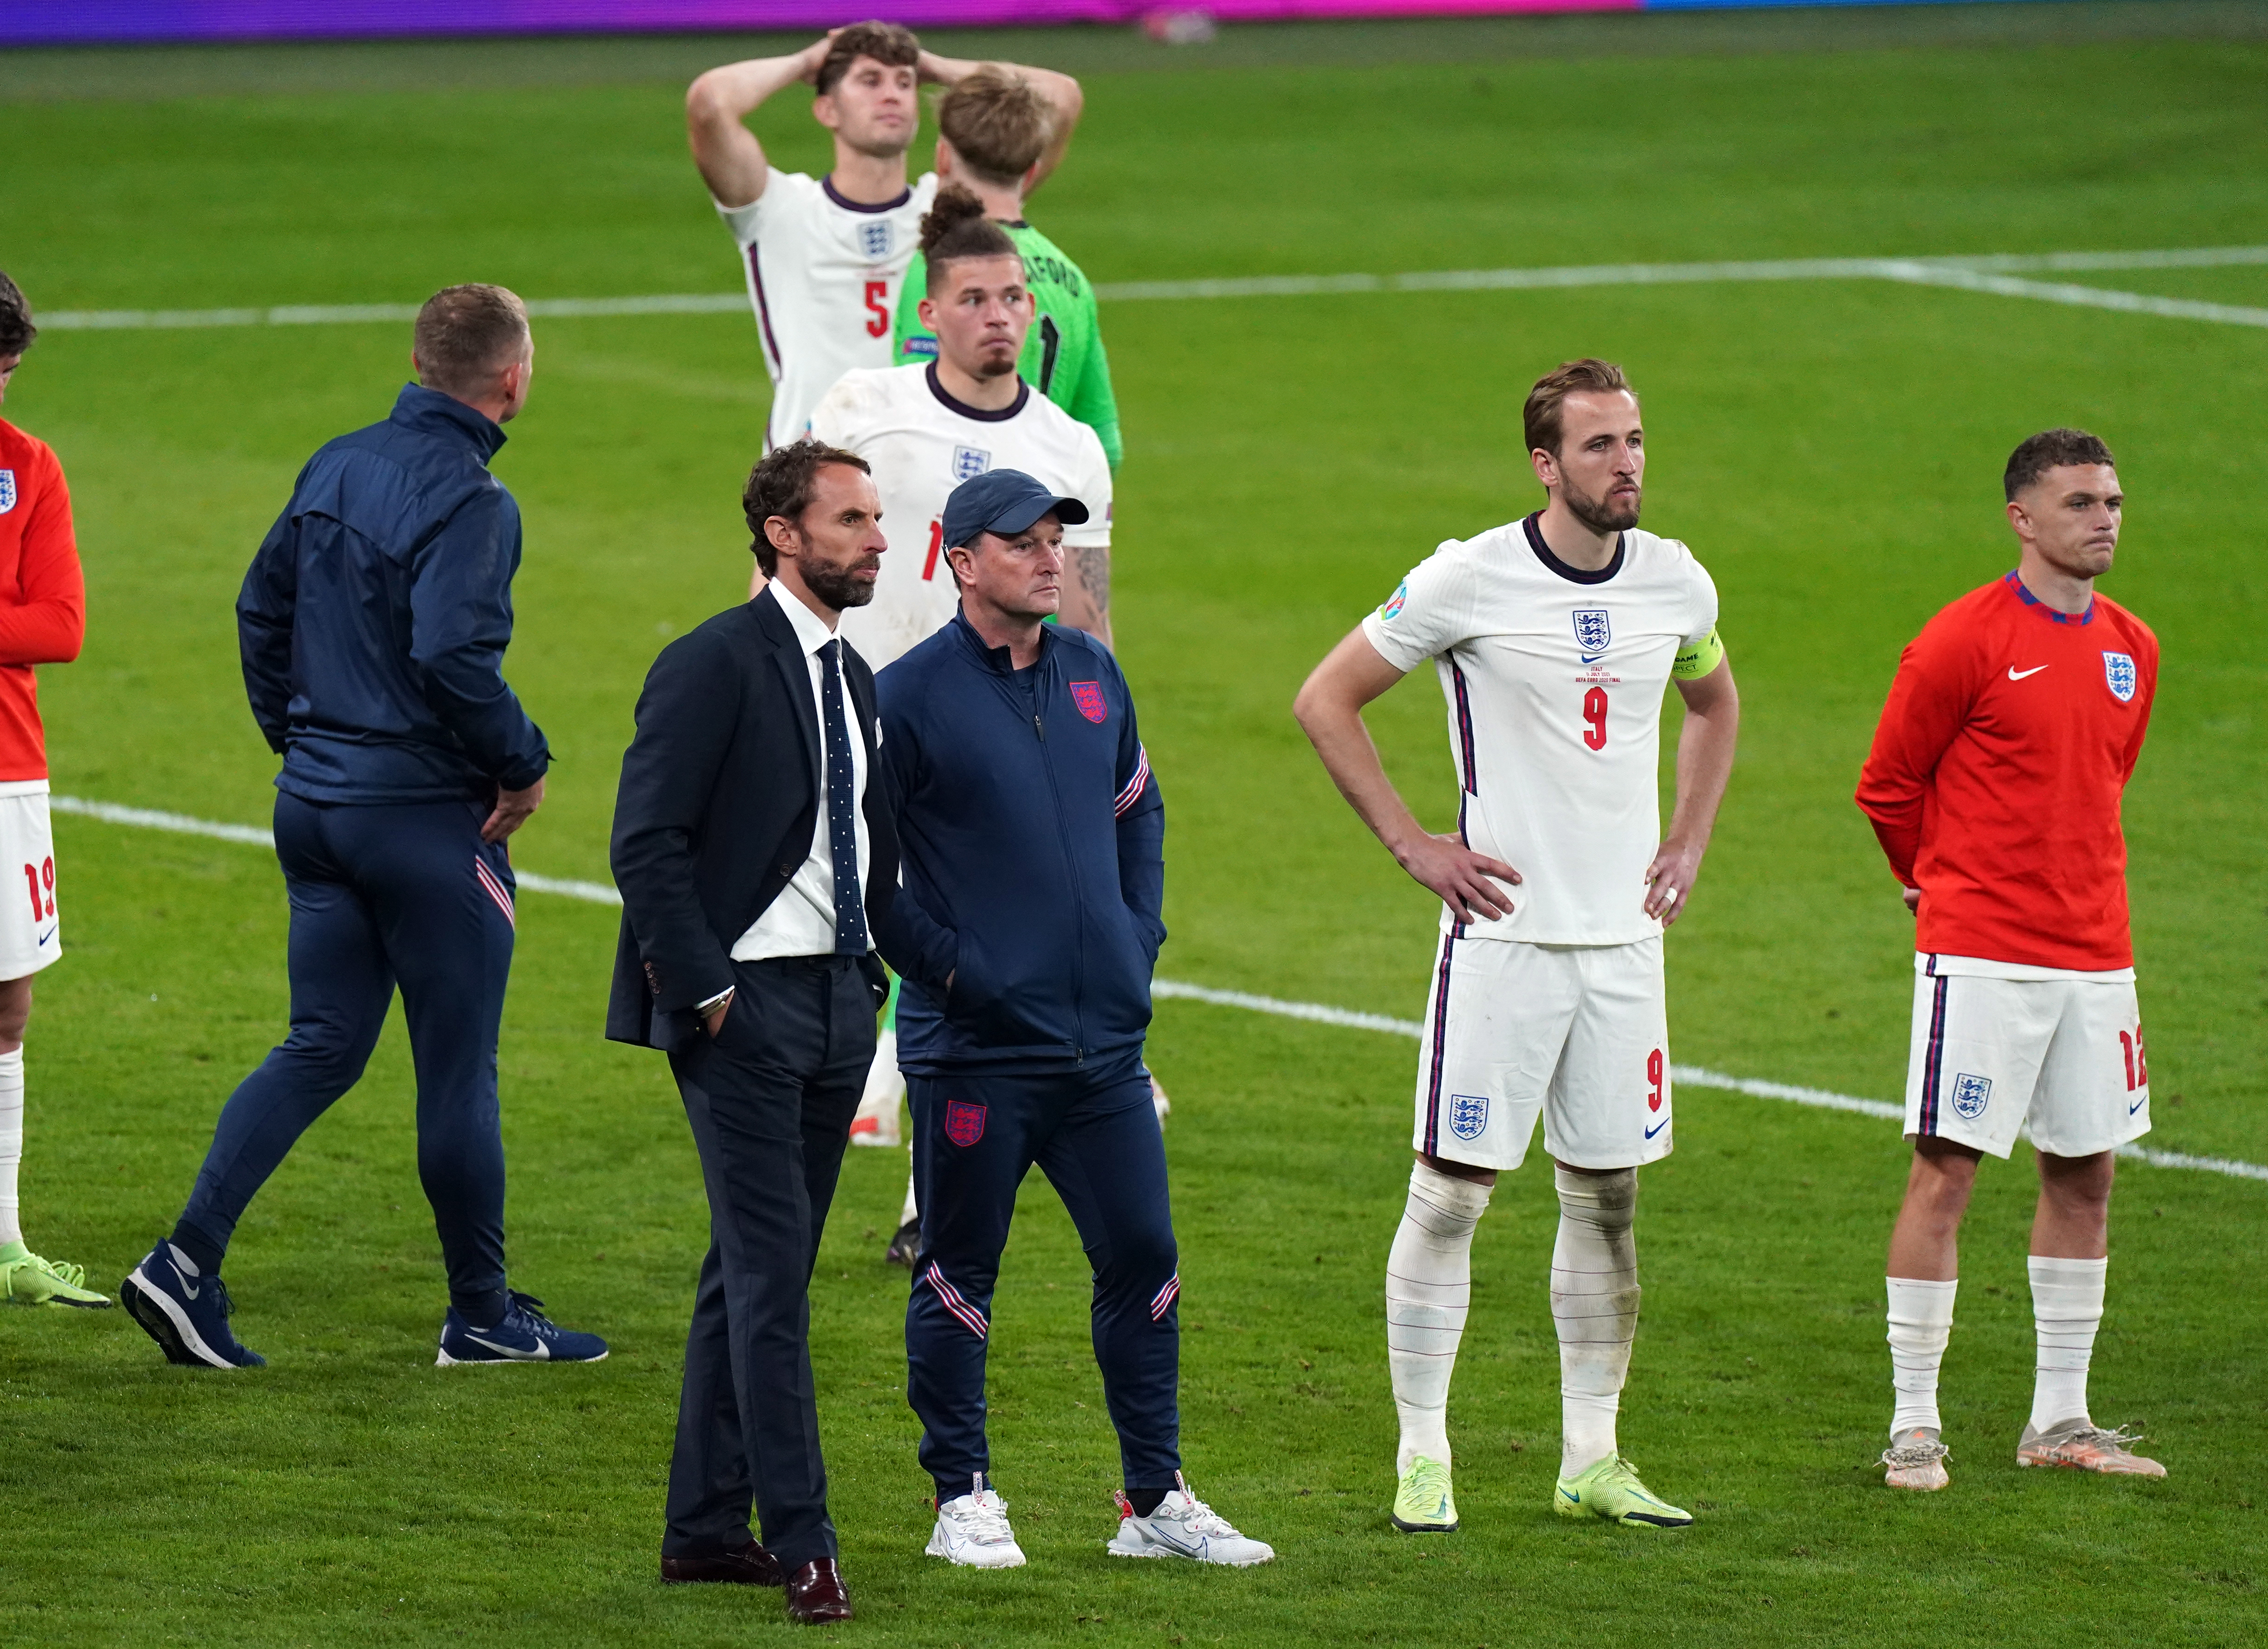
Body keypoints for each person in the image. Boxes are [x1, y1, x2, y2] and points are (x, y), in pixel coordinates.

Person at [120, 285, 605, 1370]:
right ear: (514, 377)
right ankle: (481, 1314)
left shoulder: (336, 461)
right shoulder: (476, 501)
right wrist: (522, 764)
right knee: (456, 1070)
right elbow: (452, 659)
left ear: (421, 362)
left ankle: (184, 1262)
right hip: (422, 824)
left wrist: (300, 746)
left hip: (319, 808)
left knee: (323, 1041)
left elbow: (260, 610)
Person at [1293, 359, 1739, 1535]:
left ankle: (1590, 1456)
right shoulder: (1466, 578)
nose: (1627, 462)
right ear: (1545, 465)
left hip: (1623, 950)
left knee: (1607, 1201)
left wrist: (1688, 837)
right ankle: (1422, 1453)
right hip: (1502, 946)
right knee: (1450, 1197)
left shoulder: (1675, 583)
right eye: (1598, 446)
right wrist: (1412, 844)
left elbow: (1714, 704)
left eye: (1635, 439)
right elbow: (1325, 699)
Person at [874, 467, 1272, 1570]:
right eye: (1022, 543)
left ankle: (1153, 1501)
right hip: (977, 1050)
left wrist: (1136, 934)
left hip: (1103, 1051)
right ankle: (961, 1497)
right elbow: (872, 878)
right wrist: (959, 973)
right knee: (960, 1272)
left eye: (1056, 539)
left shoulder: (1095, 672)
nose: (1050, 558)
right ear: (959, 562)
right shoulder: (905, 698)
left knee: (1144, 1258)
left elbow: (1137, 811)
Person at [607, 440, 899, 1626]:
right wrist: (706, 993)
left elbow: (861, 845)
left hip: (837, 1000)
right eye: (852, 520)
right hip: (745, 1011)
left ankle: (701, 1531)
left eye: (878, 519)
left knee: (748, 1270)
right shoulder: (713, 662)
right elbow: (647, 841)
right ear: (784, 533)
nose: (879, 539)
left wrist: (877, 971)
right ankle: (808, 1542)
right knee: (775, 1277)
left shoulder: (854, 673)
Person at [813, 186, 1121, 1256]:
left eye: (1013, 299)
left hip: (986, 743)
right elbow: (791, 550)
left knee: (952, 966)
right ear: (930, 314)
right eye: (976, 298)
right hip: (850, 714)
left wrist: (1089, 737)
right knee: (826, 951)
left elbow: (1084, 607)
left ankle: (921, 1204)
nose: (1002, 316)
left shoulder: (1066, 446)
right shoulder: (862, 408)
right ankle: (795, 1169)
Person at [1856, 429, 2163, 1492]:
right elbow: (1888, 786)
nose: (2105, 519)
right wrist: (1933, 884)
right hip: (1981, 952)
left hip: (2097, 952)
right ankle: (1911, 1424)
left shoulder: (2134, 646)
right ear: (2021, 520)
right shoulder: (1962, 640)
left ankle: (2060, 1420)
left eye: (2114, 501)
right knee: (1945, 1172)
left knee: (2087, 1176)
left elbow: (2098, 781)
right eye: (2080, 503)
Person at [685, 25, 1082, 511]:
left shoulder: (951, 209)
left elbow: (1059, 99)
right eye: (870, 80)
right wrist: (807, 61)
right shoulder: (779, 210)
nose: (892, 94)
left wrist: (931, 64)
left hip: (924, 484)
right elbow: (709, 103)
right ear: (827, 108)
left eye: (904, 82)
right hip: (806, 485)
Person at [0, 271, 104, 1311]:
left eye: (8, 372)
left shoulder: (28, 467)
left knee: (9, 1010)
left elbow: (60, 624)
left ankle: (5, 1247)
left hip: (7, 774)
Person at [891, 65, 1118, 469]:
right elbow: (1104, 443)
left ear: (942, 156)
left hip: (964, 517)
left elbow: (918, 418)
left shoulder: (942, 267)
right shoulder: (1072, 279)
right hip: (1048, 513)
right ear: (1032, 170)